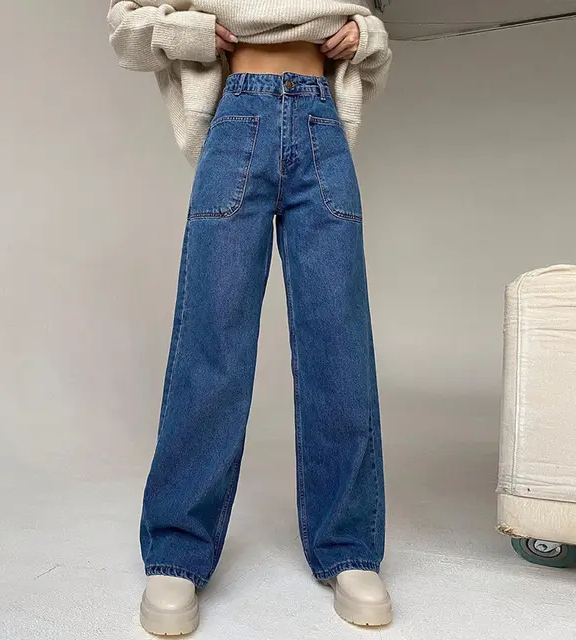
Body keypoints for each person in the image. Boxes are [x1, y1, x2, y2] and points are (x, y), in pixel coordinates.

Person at [107, 1, 393, 635]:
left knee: (339, 343)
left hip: (320, 119)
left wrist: (365, 37)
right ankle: (178, 551)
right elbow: (126, 28)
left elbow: (373, 28)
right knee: (213, 341)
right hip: (239, 118)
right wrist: (189, 31)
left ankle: (349, 546)